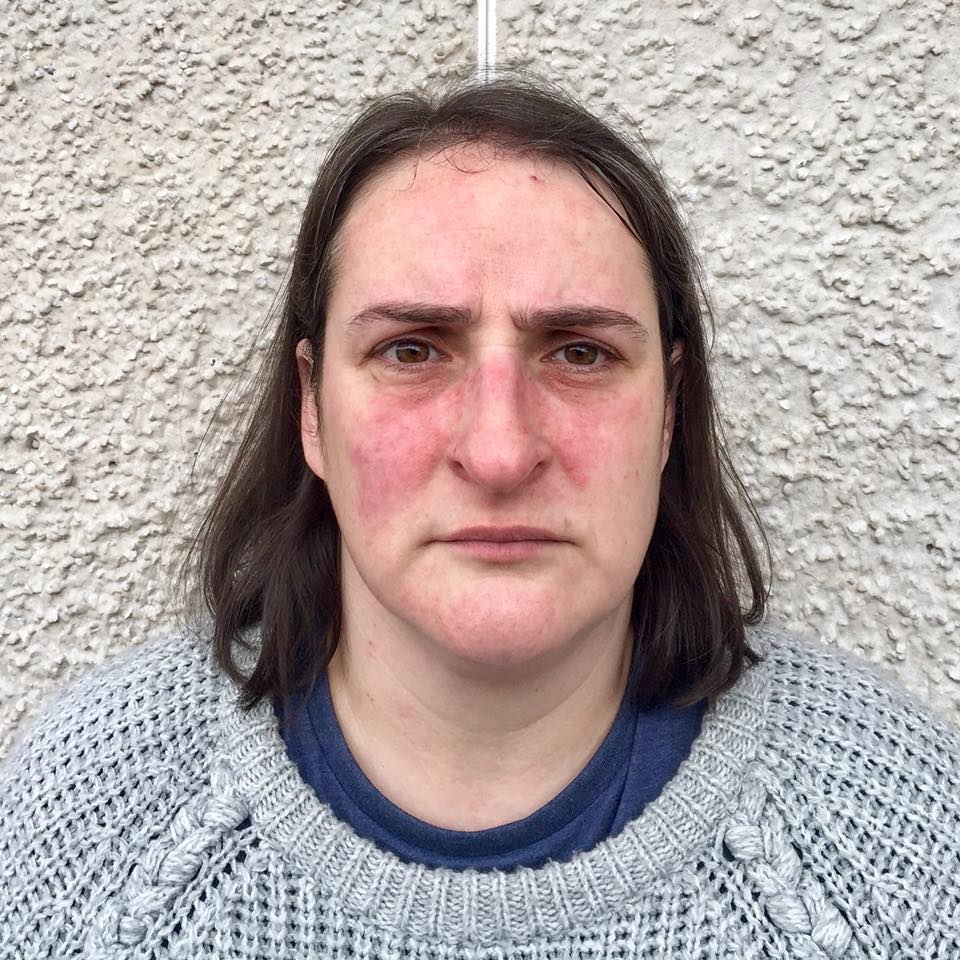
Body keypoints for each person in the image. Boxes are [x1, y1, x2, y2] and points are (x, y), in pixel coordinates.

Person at [1, 72, 958, 959]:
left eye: (579, 352)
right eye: (413, 349)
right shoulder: (81, 824)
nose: (499, 452)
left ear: (668, 411)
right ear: (311, 409)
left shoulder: (904, 835)